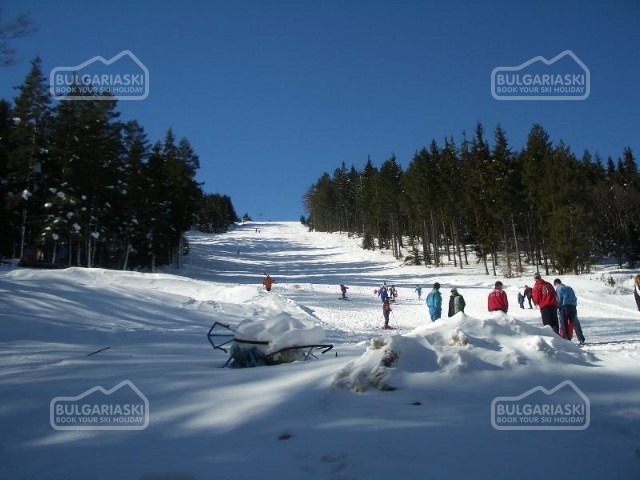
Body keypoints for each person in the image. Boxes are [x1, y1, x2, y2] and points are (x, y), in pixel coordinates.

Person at [554, 279, 586, 345]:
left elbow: (559, 299)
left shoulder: (559, 289)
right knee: (575, 323)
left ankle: (566, 339)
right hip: (572, 306)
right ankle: (581, 339)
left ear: (556, 284)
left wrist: (557, 307)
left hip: (564, 307)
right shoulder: (569, 288)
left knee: (564, 323)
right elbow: (574, 297)